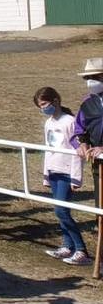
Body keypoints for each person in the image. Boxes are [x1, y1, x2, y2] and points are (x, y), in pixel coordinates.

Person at [34, 87, 91, 266]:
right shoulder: (49, 123)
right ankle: (67, 245)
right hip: (54, 171)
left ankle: (81, 250)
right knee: (59, 211)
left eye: (44, 104)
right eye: (39, 106)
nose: (42, 108)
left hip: (67, 172)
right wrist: (46, 175)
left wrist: (76, 177)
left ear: (55, 100)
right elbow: (48, 149)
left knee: (61, 211)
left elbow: (77, 152)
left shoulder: (70, 122)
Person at [72, 58, 103, 210]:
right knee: (101, 201)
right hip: (98, 161)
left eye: (95, 77)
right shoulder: (87, 102)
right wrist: (83, 143)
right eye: (87, 78)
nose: (90, 81)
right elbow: (80, 128)